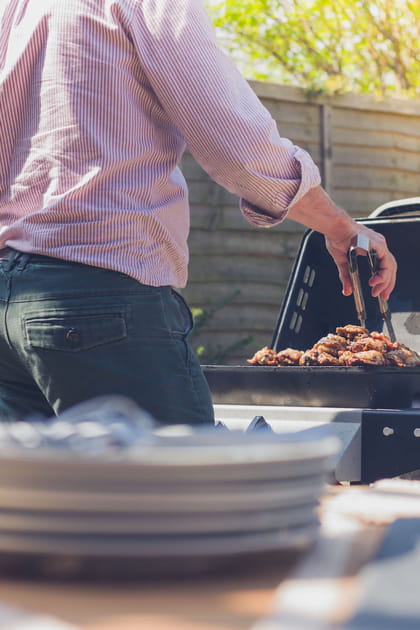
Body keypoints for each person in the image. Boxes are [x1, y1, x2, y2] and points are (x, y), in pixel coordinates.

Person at [0, 0, 396, 424]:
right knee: (187, 487)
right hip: (102, 302)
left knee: (42, 489)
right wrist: (339, 227)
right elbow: (237, 145)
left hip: (9, 303)